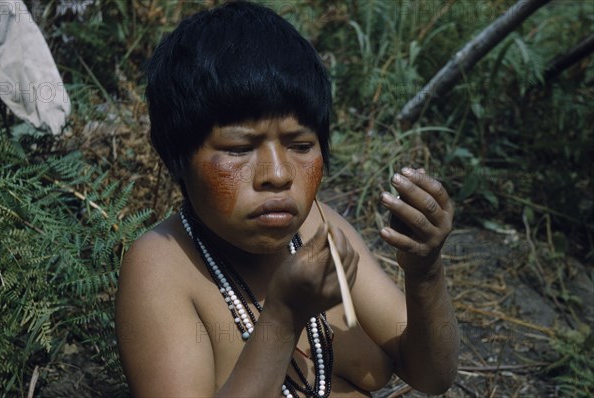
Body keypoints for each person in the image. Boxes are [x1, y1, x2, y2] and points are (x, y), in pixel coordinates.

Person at [115, 2, 459, 397]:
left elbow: (433, 376)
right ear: (176, 155)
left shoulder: (320, 230)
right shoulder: (162, 267)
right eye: (239, 149)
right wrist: (283, 316)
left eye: (300, 145)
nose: (278, 175)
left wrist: (425, 272)